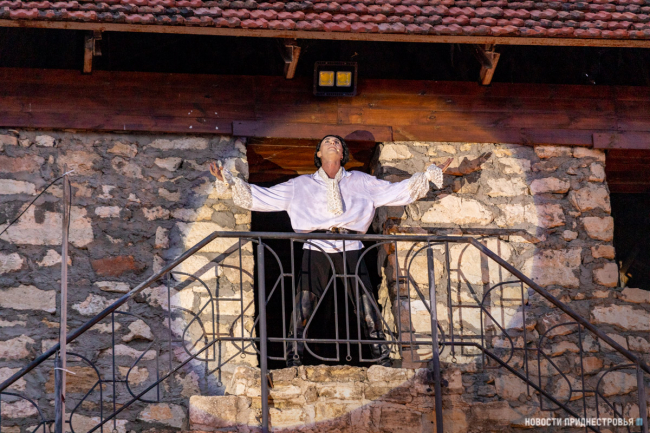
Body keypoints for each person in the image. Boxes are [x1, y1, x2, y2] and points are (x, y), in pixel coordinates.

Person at [209, 135, 453, 367]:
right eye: (327, 141)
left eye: (337, 142)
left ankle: (381, 355)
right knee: (304, 302)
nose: (333, 143)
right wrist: (230, 182)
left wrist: (427, 176)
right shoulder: (300, 185)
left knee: (365, 301)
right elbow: (264, 197)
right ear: (318, 153)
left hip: (351, 245)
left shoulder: (361, 181)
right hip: (316, 245)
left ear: (342, 153)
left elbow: (394, 191)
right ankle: (293, 355)